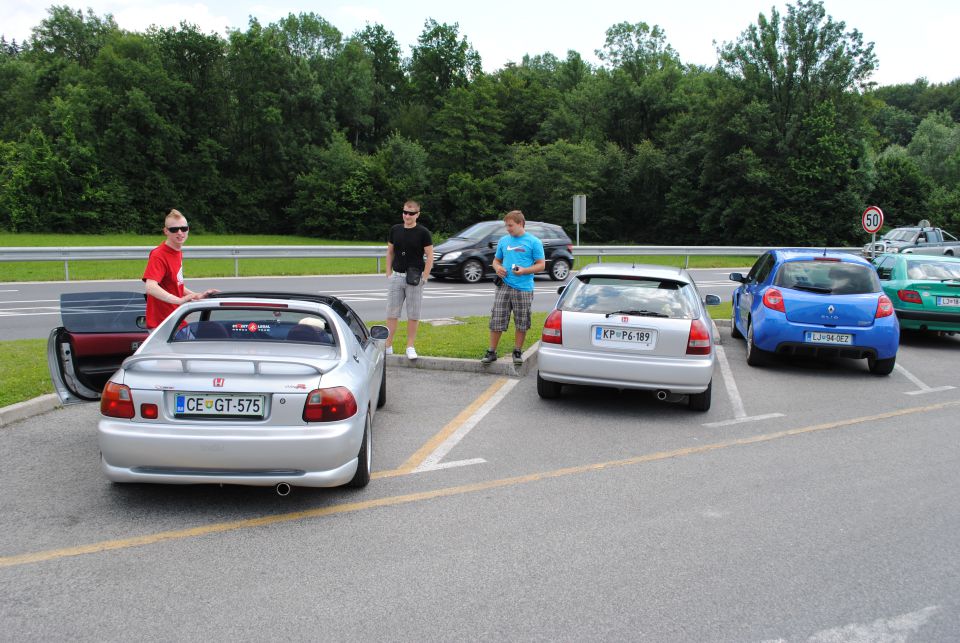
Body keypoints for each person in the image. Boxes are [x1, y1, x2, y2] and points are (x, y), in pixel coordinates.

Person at [481, 210, 545, 366]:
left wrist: (524, 271)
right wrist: (497, 268)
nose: (508, 229)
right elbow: (496, 261)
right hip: (504, 285)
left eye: (510, 225)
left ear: (520, 224)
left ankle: (517, 351)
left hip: (523, 288)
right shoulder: (504, 241)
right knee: (497, 319)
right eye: (506, 226)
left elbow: (541, 265)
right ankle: (491, 351)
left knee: (522, 321)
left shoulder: (534, 242)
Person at [142, 209, 217, 329]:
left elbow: (176, 284)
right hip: (163, 325)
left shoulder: (177, 251)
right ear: (166, 231)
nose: (180, 232)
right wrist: (178, 300)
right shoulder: (159, 254)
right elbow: (150, 287)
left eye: (184, 228)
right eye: (174, 229)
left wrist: (196, 295)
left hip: (175, 319)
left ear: (188, 229)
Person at [385, 200, 433, 360]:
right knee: (392, 312)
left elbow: (430, 256)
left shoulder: (423, 232)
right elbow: (390, 252)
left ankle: (410, 346)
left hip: (414, 278)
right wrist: (388, 273)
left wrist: (425, 277)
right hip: (396, 276)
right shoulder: (395, 230)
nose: (407, 215)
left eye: (411, 213)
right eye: (405, 212)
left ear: (417, 214)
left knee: (413, 314)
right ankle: (388, 345)